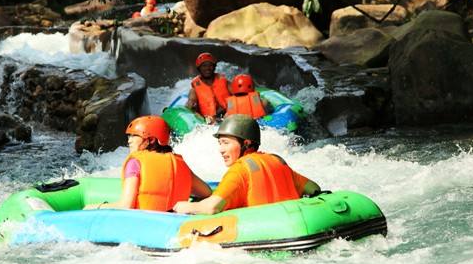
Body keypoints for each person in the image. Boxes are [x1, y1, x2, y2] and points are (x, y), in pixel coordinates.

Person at [173, 115, 321, 215]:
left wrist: (182, 207)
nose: (221, 149)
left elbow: (211, 207)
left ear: (246, 143)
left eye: (226, 143)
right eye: (220, 143)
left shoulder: (240, 169)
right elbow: (314, 188)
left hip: (262, 236)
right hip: (293, 223)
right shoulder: (277, 160)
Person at [86, 116, 211, 211]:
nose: (129, 141)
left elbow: (126, 206)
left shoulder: (135, 163)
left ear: (150, 140)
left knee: (89, 208)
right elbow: (207, 193)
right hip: (174, 223)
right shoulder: (179, 163)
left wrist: (97, 207)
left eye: (134, 136)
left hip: (143, 224)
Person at [185, 52, 231, 124]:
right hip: (208, 122)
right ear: (199, 68)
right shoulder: (194, 89)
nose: (207, 68)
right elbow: (190, 102)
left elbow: (239, 93)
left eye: (210, 65)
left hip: (228, 117)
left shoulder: (224, 81)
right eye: (204, 66)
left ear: (214, 67)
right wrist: (191, 107)